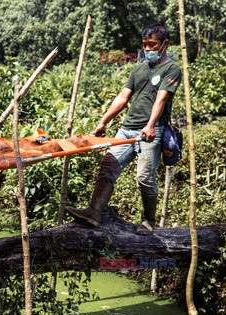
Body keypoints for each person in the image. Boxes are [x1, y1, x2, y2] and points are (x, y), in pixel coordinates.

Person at [65, 23, 182, 236]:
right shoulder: (139, 68)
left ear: (165, 44)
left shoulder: (171, 69)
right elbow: (122, 97)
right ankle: (94, 212)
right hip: (126, 129)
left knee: (144, 178)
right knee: (108, 167)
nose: (147, 49)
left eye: (152, 45)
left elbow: (161, 99)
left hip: (150, 132)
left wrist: (149, 125)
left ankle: (148, 220)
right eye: (144, 45)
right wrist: (103, 122)